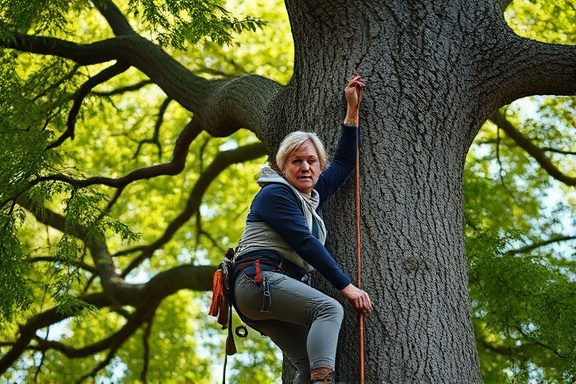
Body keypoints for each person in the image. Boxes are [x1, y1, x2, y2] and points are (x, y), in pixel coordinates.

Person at [232, 74, 373, 384]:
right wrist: (346, 286)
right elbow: (305, 242)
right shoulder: (276, 193)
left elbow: (346, 160)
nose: (305, 167)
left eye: (312, 161)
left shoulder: (312, 195)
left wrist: (352, 111)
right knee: (329, 309)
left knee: (306, 368)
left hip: (264, 295)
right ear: (283, 167)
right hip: (259, 281)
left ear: (319, 167)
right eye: (297, 161)